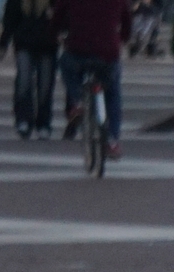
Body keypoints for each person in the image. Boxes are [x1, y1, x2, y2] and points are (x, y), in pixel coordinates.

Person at [53, 0, 127, 157]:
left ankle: (78, 100)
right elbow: (127, 19)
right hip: (108, 52)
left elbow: (57, 15)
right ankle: (112, 140)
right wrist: (121, 38)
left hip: (78, 50)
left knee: (65, 64)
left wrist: (55, 33)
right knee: (113, 94)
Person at [0, 0, 56, 137]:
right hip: (24, 42)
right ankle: (23, 119)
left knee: (45, 87)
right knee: (24, 82)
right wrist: (4, 42)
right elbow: (10, 18)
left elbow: (63, 14)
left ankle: (43, 123)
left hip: (48, 45)